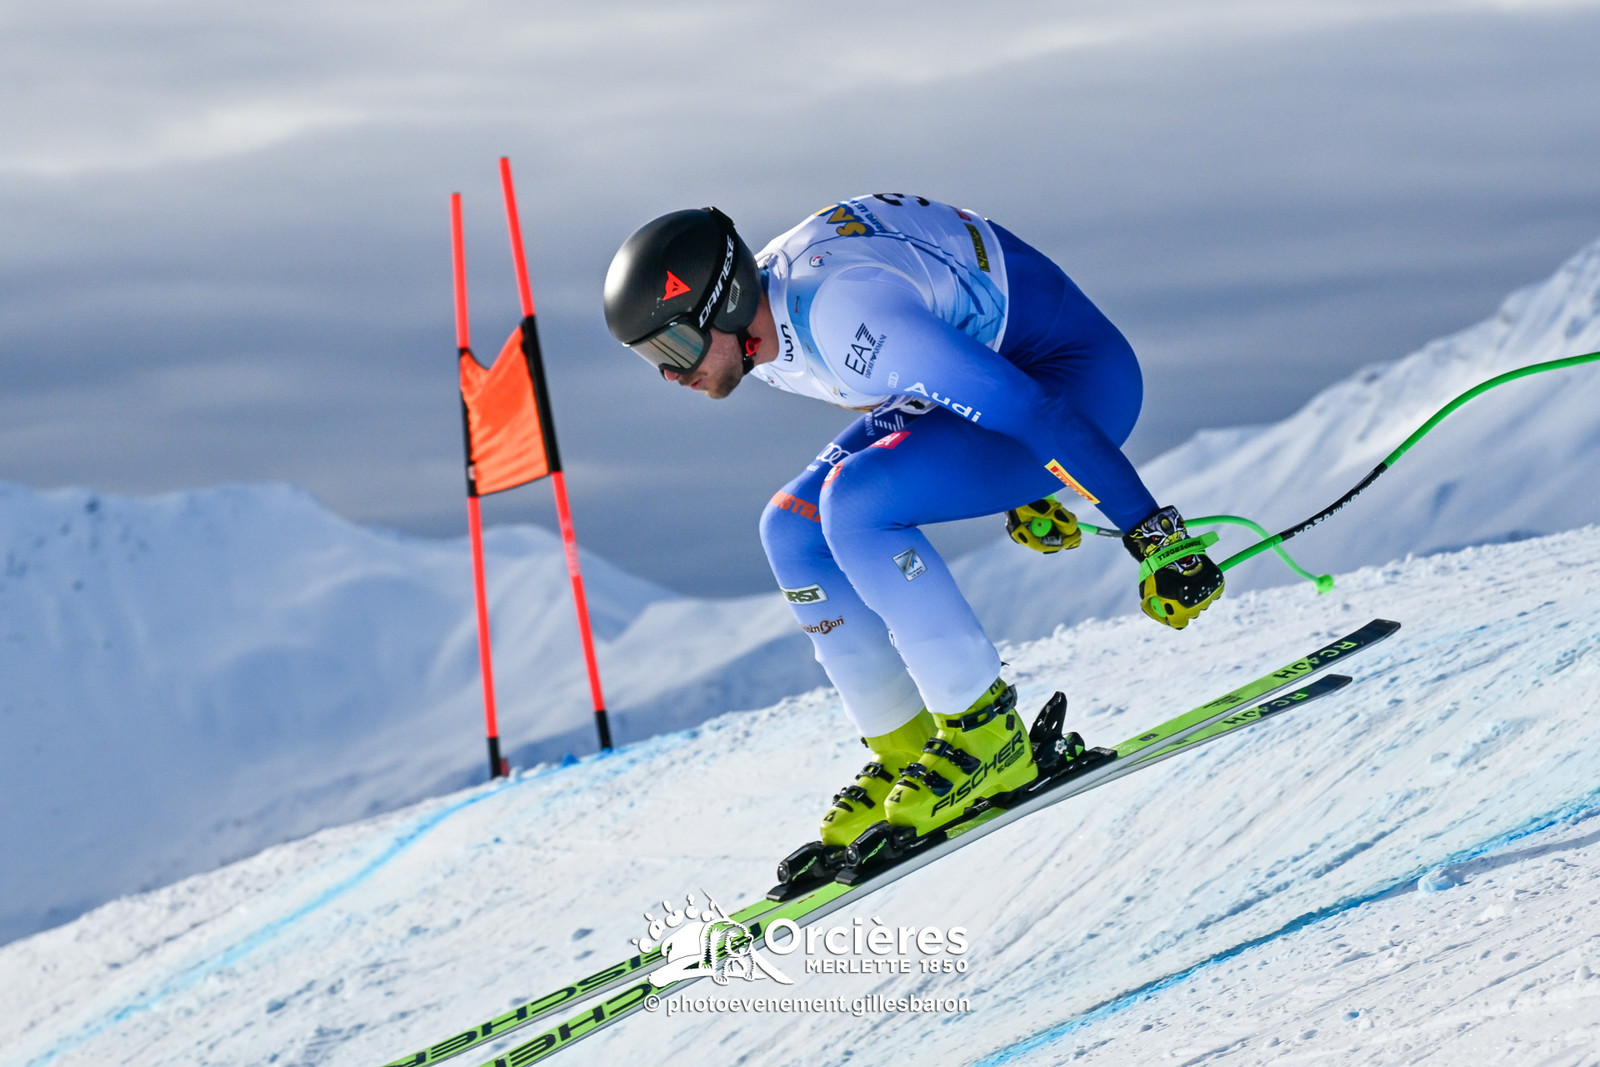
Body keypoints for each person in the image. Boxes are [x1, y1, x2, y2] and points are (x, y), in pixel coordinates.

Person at [602, 195, 1223, 852]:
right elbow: (911, 378)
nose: (670, 373)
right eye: (650, 355)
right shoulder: (762, 332)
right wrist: (1014, 489)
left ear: (725, 303)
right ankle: (904, 746)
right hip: (999, 390)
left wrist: (1157, 539)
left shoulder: (843, 310)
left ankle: (988, 736)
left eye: (674, 344)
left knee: (855, 503)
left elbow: (1030, 407)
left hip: (1077, 385)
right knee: (790, 528)